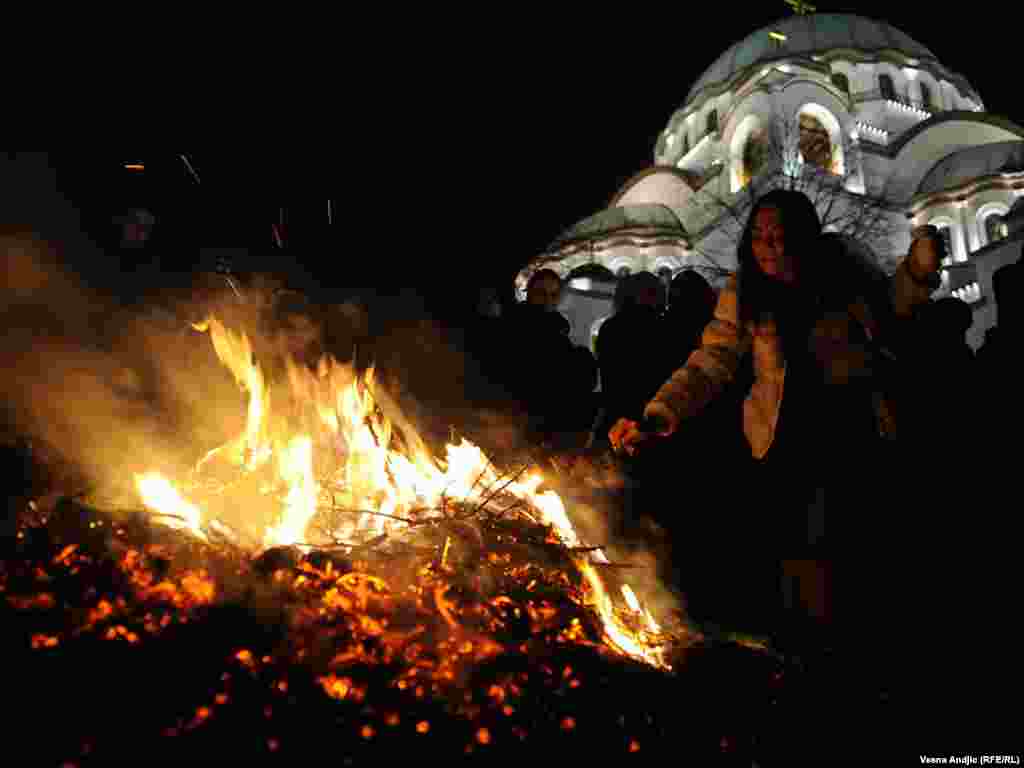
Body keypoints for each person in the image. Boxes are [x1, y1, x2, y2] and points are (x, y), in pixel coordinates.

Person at [608, 190, 941, 641]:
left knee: (856, 550)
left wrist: (917, 272)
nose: (771, 246)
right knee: (797, 550)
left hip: (853, 426)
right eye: (761, 236)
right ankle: (809, 657)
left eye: (781, 235)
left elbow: (892, 308)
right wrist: (661, 411)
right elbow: (712, 360)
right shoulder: (745, 289)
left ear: (804, 236)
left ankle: (859, 652)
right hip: (784, 437)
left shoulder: (843, 271)